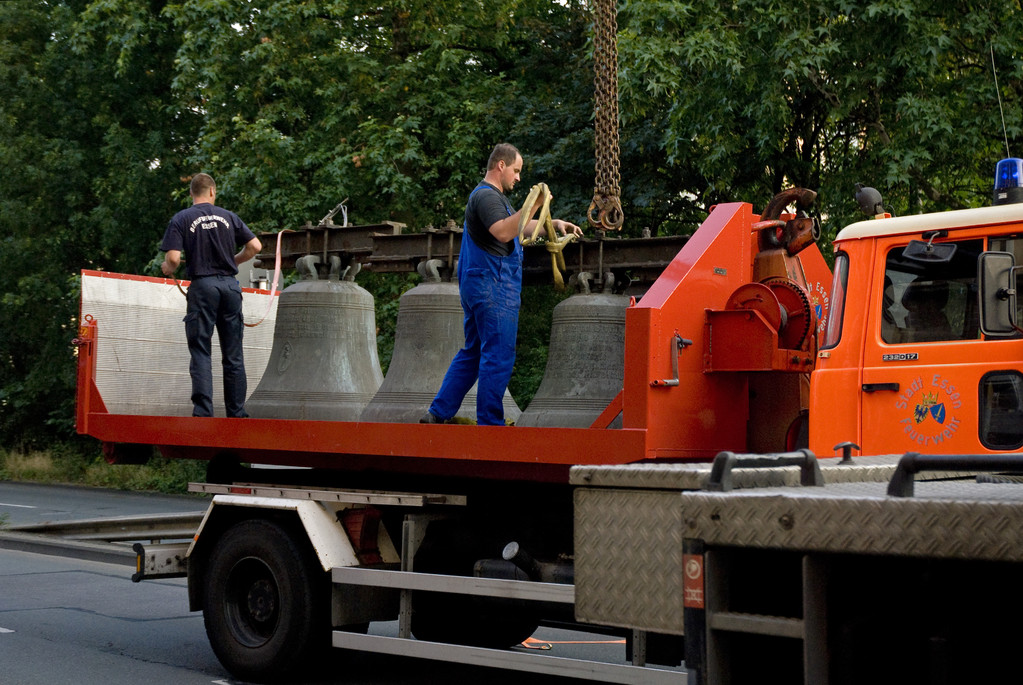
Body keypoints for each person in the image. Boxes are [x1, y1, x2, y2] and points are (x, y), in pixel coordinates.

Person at [421, 143, 582, 426]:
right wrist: (534, 205)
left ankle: (438, 413)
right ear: (501, 166)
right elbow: (505, 232)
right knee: (498, 352)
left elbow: (520, 227)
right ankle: (490, 425)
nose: (518, 178)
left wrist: (553, 224)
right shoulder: (486, 197)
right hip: (493, 286)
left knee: (473, 352)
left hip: (480, 284)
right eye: (516, 170)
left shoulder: (494, 200)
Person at [160, 173, 262, 418]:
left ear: (191, 193)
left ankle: (204, 412)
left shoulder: (181, 218)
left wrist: (168, 268)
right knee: (233, 354)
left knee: (201, 350)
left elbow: (173, 258)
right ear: (213, 192)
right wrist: (232, 261)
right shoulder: (229, 217)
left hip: (203, 288)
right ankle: (236, 413)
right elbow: (255, 247)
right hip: (229, 287)